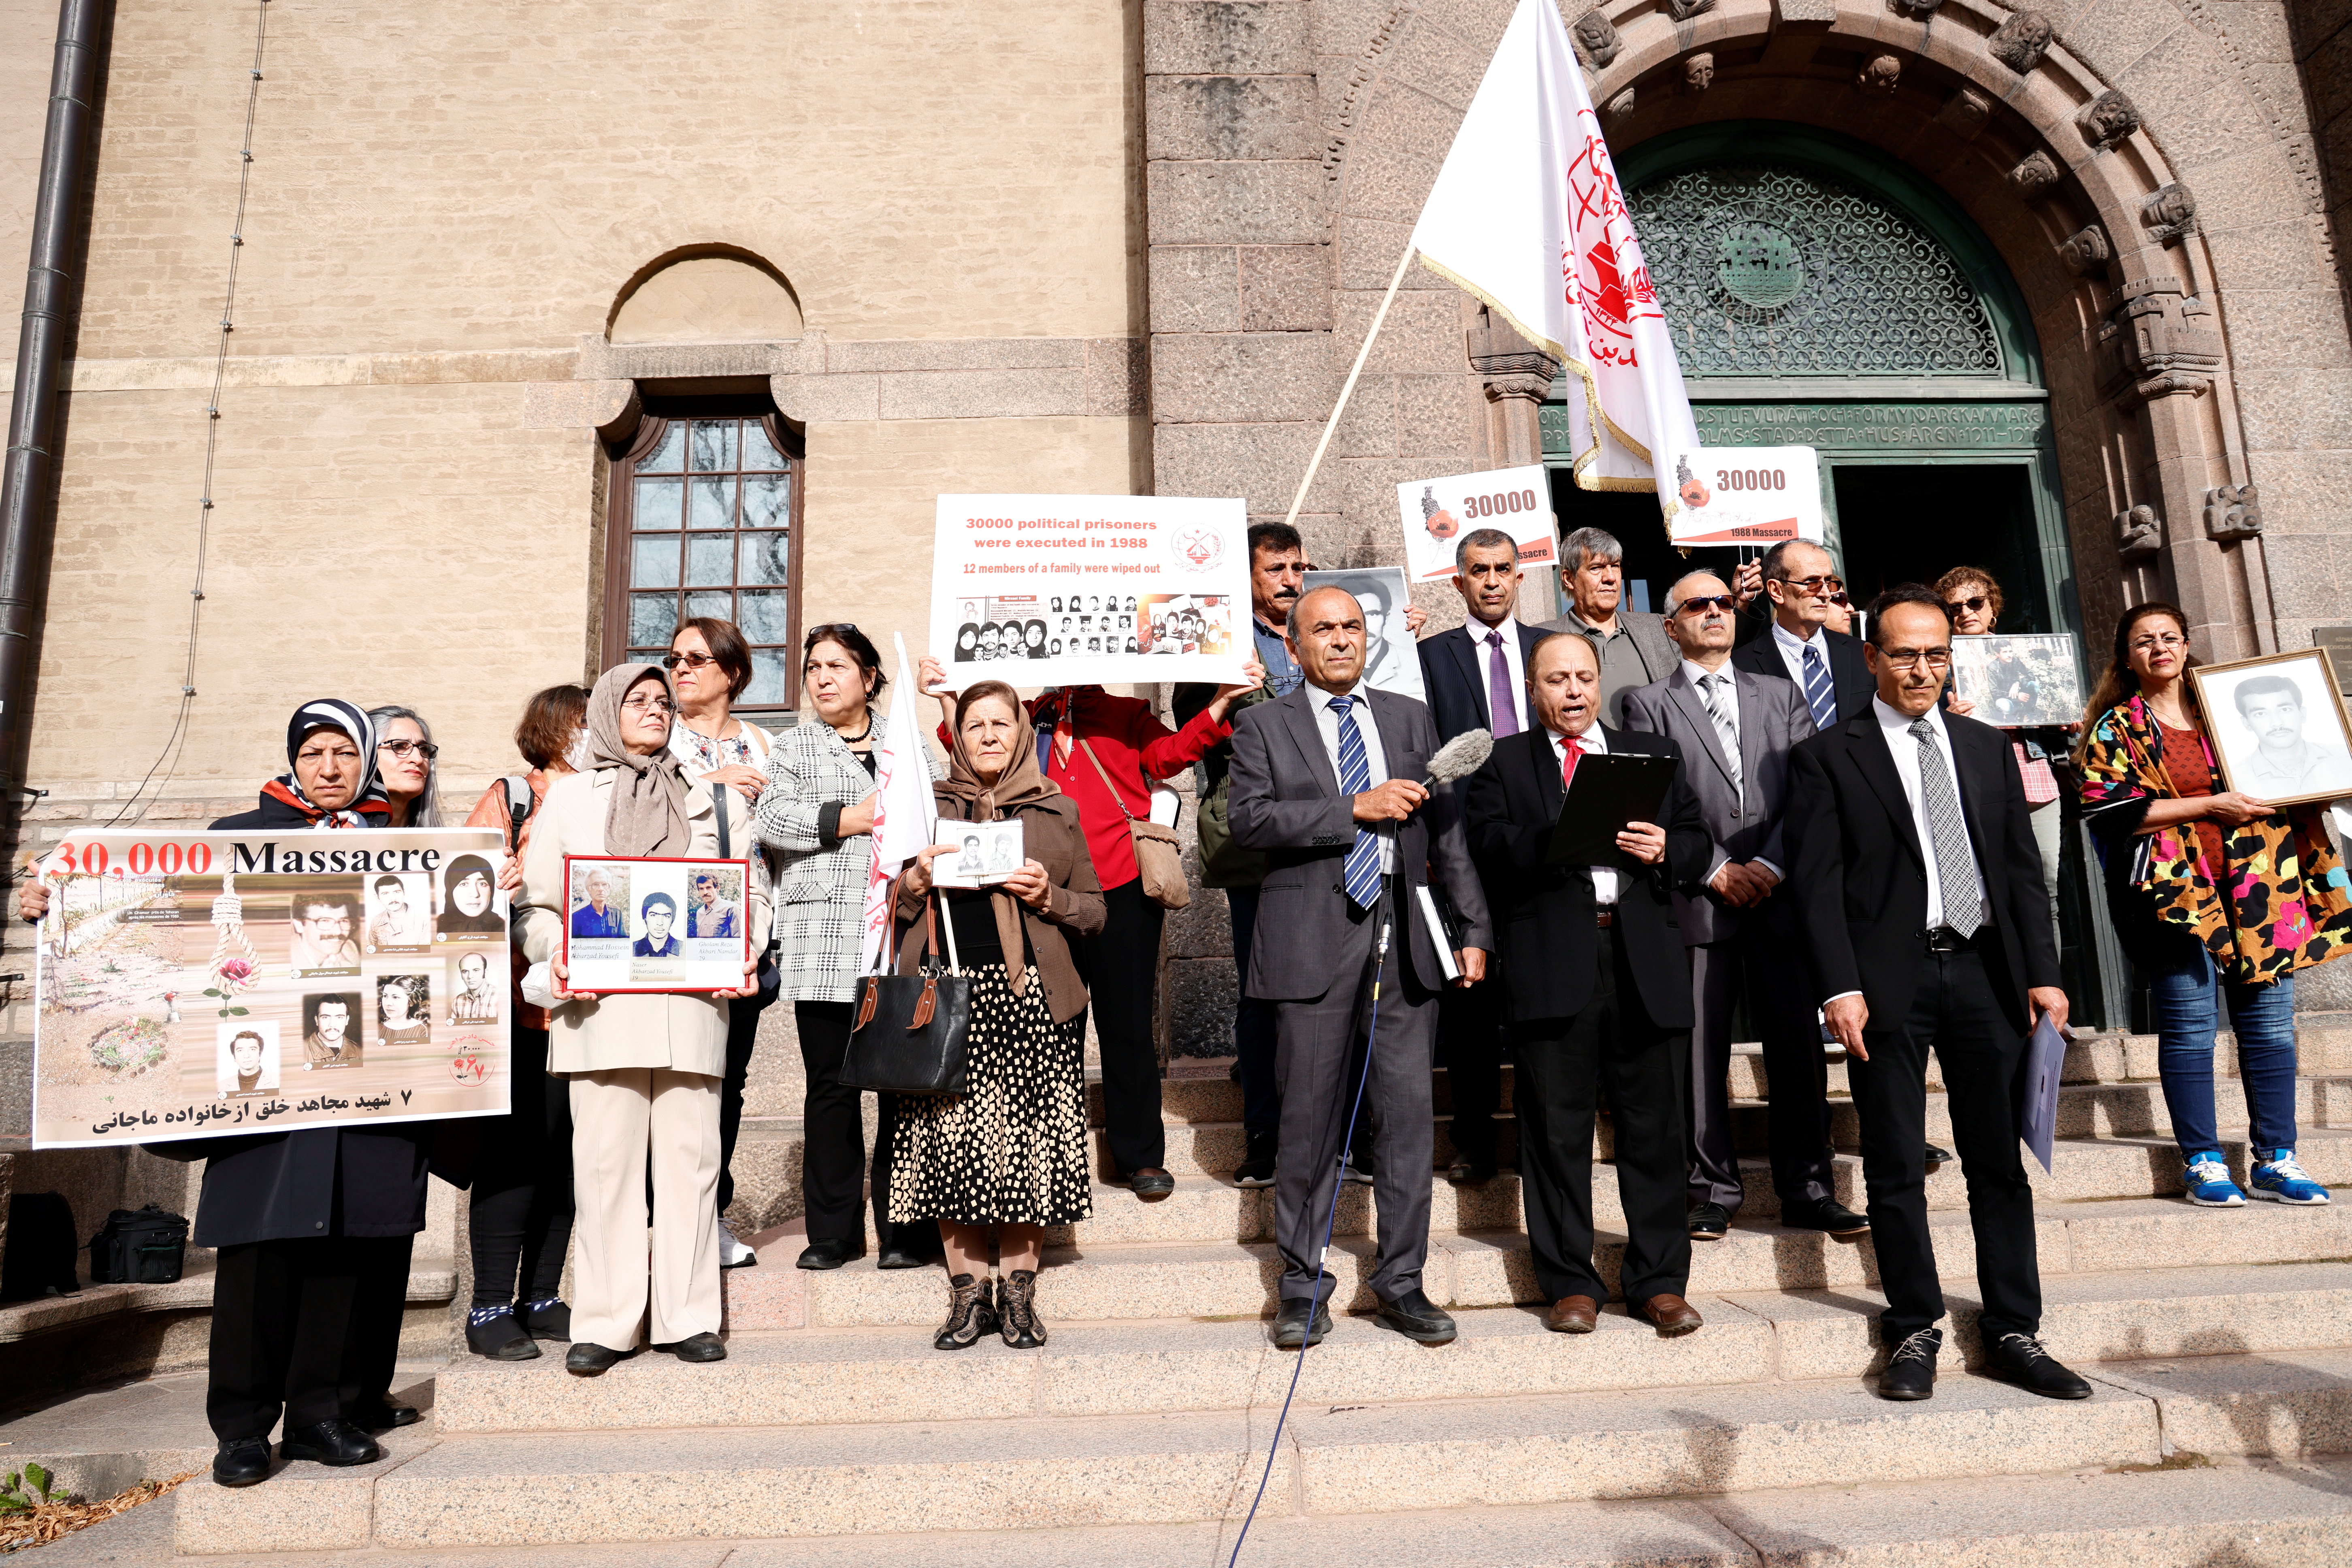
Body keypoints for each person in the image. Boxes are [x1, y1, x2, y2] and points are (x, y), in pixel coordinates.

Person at [25, 700, 432, 1487]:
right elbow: (154, 928)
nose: (330, 767)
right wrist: (59, 908)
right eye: (315, 751)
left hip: (361, 1086)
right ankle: (243, 1428)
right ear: (293, 760)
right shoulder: (232, 838)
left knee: (342, 1254)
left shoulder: (409, 849)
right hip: (260, 1086)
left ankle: (321, 1414)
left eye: (346, 753)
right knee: (258, 1260)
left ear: (367, 763)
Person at [1786, 587, 2090, 1402]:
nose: (1921, 668)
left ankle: (2014, 1328)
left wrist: (2046, 973)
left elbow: (2023, 874)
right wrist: (1838, 987)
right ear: (1871, 658)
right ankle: (1913, 1325)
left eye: (1935, 654)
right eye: (1905, 654)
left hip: (1987, 973)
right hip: (1886, 984)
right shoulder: (1827, 756)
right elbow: (1815, 887)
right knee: (1892, 1160)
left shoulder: (1988, 748)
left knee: (1998, 1160)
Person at [1228, 586, 1491, 1349]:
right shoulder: (1263, 724)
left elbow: (1448, 835)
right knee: (1308, 1122)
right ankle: (1303, 1284)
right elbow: (1249, 820)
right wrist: (1353, 808)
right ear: (1293, 642)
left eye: (1352, 628)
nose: (1341, 640)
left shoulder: (1408, 716)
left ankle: (1401, 1281)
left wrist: (1471, 927)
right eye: (1324, 629)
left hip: (1403, 940)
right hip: (1310, 945)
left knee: (1406, 1121)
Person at [917, 651, 1264, 1202]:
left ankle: (1141, 1155)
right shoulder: (1029, 715)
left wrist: (1222, 699)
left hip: (1122, 887)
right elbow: (978, 755)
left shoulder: (1126, 714)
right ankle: (1057, 1152)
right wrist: (946, 700)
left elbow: (1171, 755)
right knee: (1056, 1027)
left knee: (1127, 1028)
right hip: (1047, 894)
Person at [517, 662, 768, 1375]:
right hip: (598, 1011)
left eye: (664, 701)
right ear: (605, 711)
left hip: (691, 1007)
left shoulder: (709, 798)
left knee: (690, 1168)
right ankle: (605, 1321)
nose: (655, 710)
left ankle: (688, 1317)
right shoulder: (568, 799)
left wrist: (744, 950)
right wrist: (556, 949)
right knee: (604, 1172)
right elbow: (536, 906)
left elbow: (748, 895)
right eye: (638, 700)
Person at [1466, 632, 1711, 1334]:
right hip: (1555, 964)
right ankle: (1570, 1281)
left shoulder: (1649, 753)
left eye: (1582, 677)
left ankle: (1659, 1281)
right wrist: (1563, 834)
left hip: (1644, 962)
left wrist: (1667, 847)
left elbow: (1696, 839)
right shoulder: (1503, 761)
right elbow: (1488, 843)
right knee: (1554, 1131)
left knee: (1654, 1131)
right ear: (1532, 689)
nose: (1571, 691)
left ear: (1599, 681)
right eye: (1555, 679)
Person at [2076, 603, 2352, 1207]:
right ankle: (2203, 1163)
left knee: (2272, 1030)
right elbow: (2110, 811)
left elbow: (2296, 773)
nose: (2159, 649)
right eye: (2144, 642)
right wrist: (2210, 806)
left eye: (2169, 638)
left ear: (2187, 644)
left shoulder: (2230, 712)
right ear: (2128, 657)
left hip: (2261, 889)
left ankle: (2278, 1160)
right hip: (2173, 895)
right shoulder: (2117, 728)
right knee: (2191, 1028)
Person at [1621, 572, 1860, 1242]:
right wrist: (1718, 867)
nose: (1713, 613)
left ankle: (1809, 1185)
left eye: (1722, 603)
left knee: (1796, 1050)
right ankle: (1710, 1187)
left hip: (1781, 898)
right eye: (1695, 605)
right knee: (1701, 1052)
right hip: (1699, 900)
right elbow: (1657, 805)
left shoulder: (1781, 696)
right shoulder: (1644, 704)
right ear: (1670, 627)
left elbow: (1809, 793)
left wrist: (1771, 863)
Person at [887, 681, 1105, 1351]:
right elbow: (890, 907)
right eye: (973, 723)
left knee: (1029, 1143)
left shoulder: (1057, 808)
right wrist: (913, 882)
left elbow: (1097, 911)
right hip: (945, 994)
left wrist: (1052, 897)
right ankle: (964, 1294)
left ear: (1020, 733)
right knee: (948, 1140)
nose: (987, 734)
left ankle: (1016, 1291)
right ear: (956, 734)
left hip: (1030, 996)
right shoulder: (927, 808)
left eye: (1000, 723)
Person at [758, 624, 941, 1272]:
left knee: (901, 1087)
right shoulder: (794, 747)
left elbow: (938, 809)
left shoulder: (907, 741)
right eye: (813, 668)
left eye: (838, 665)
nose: (822, 677)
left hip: (899, 936)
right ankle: (833, 1232)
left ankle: (904, 1230)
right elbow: (770, 821)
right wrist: (848, 818)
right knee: (830, 1090)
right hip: (823, 941)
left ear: (869, 677)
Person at [1173, 521, 1308, 1189]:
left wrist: (1395, 639)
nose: (1289, 579)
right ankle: (1262, 1133)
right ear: (1248, 577)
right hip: (1253, 837)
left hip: (1328, 835)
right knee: (1260, 988)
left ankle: (1343, 1131)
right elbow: (1188, 725)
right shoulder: (1217, 639)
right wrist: (1220, 682)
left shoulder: (1325, 627)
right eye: (1274, 568)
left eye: (1296, 566)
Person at [460, 682, 589, 1360]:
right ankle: (488, 1305)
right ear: (553, 729)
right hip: (518, 1010)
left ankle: (541, 1296)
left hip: (588, 1016)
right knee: (515, 1161)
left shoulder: (607, 794)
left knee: (567, 1162)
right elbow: (459, 886)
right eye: (583, 721)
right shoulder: (514, 795)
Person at [1416, 527, 1547, 1184]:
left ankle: (1538, 1139)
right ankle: (1472, 1139)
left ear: (1519, 576)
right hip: (1461, 850)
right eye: (1478, 570)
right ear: (1457, 580)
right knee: (1470, 1000)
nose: (1491, 580)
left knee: (1540, 998)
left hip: (1539, 847)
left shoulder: (1549, 649)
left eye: (1502, 569)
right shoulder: (1428, 657)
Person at [663, 620, 782, 1268]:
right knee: (684, 1080)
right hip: (671, 937)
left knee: (729, 1083)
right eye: (674, 658)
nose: (680, 669)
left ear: (732, 673)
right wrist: (713, 785)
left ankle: (711, 1213)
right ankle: (671, 1222)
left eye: (696, 659)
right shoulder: (658, 736)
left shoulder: (766, 743)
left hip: (746, 938)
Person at [1937, 567, 2068, 962]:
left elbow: (2064, 722)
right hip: (1973, 789)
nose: (1965, 612)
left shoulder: (2033, 658)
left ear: (1993, 609)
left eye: (1975, 602)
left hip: (2034, 781)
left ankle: (2051, 1011)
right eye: (1954, 607)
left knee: (2045, 894)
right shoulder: (1936, 667)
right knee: (1981, 894)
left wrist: (2064, 716)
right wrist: (1947, 720)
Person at [1538, 526, 1677, 725]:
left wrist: (1739, 612)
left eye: (1615, 566)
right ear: (1569, 579)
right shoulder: (1541, 638)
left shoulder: (1659, 628)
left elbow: (1713, 659)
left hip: (1656, 754)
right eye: (1596, 568)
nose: (1611, 577)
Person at [1730, 540, 1873, 730]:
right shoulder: (1742, 667)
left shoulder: (1862, 654)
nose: (1825, 594)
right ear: (1777, 591)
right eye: (1812, 583)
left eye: (1828, 582)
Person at [2233, 673, 2352, 794]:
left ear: (2302, 714)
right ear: (2247, 723)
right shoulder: (2235, 779)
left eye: (2285, 710)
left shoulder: (2346, 757)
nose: (2277, 723)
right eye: (2260, 714)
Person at [369, 705, 442, 827]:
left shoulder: (444, 842)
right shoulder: (335, 838)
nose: (418, 759)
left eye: (424, 749)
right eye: (398, 746)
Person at [288, 893, 359, 972]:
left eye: (344, 921)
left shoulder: (349, 949)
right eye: (325, 921)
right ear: (299, 925)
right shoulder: (287, 963)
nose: (338, 932)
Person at [437, 854, 503, 937]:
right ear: (451, 890)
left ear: (492, 890)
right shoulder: (436, 926)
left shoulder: (503, 926)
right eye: (464, 884)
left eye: (482, 884)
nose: (475, 894)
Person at [366, 876, 427, 951]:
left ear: (404, 893)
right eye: (385, 894)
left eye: (397, 892)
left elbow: (425, 954)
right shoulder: (376, 922)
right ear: (377, 897)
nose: (393, 899)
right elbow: (372, 951)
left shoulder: (424, 919)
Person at [303, 993, 363, 1068]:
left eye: (339, 1018)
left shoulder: (360, 1052)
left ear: (347, 1020)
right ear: (317, 1021)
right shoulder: (300, 1051)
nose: (332, 1024)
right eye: (325, 1017)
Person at [570, 869, 628, 937]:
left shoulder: (616, 912)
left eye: (605, 885)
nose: (601, 889)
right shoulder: (577, 917)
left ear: (609, 889)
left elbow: (623, 940)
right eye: (596, 885)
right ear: (589, 889)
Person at [376, 976, 432, 1047]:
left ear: (411, 1002)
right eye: (385, 996)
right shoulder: (379, 1028)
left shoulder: (422, 1030)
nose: (388, 1003)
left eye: (396, 997)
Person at [449, 952, 500, 1025]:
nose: (470, 976)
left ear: (485, 973)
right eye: (465, 972)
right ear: (461, 975)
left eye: (476, 970)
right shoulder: (457, 1001)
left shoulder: (499, 997)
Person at [687, 873, 739, 938]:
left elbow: (739, 941)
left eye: (709, 888)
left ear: (717, 888)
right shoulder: (700, 912)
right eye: (701, 889)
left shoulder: (731, 908)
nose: (705, 892)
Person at [633, 892, 682, 957]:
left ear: (672, 921)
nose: (660, 923)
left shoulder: (684, 949)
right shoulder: (632, 949)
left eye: (666, 916)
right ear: (644, 919)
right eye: (653, 915)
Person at [226, 1029, 270, 1095]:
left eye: (252, 1050)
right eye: (240, 1051)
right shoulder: (222, 1086)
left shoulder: (277, 1082)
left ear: (260, 1053)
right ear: (234, 1056)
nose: (246, 1056)